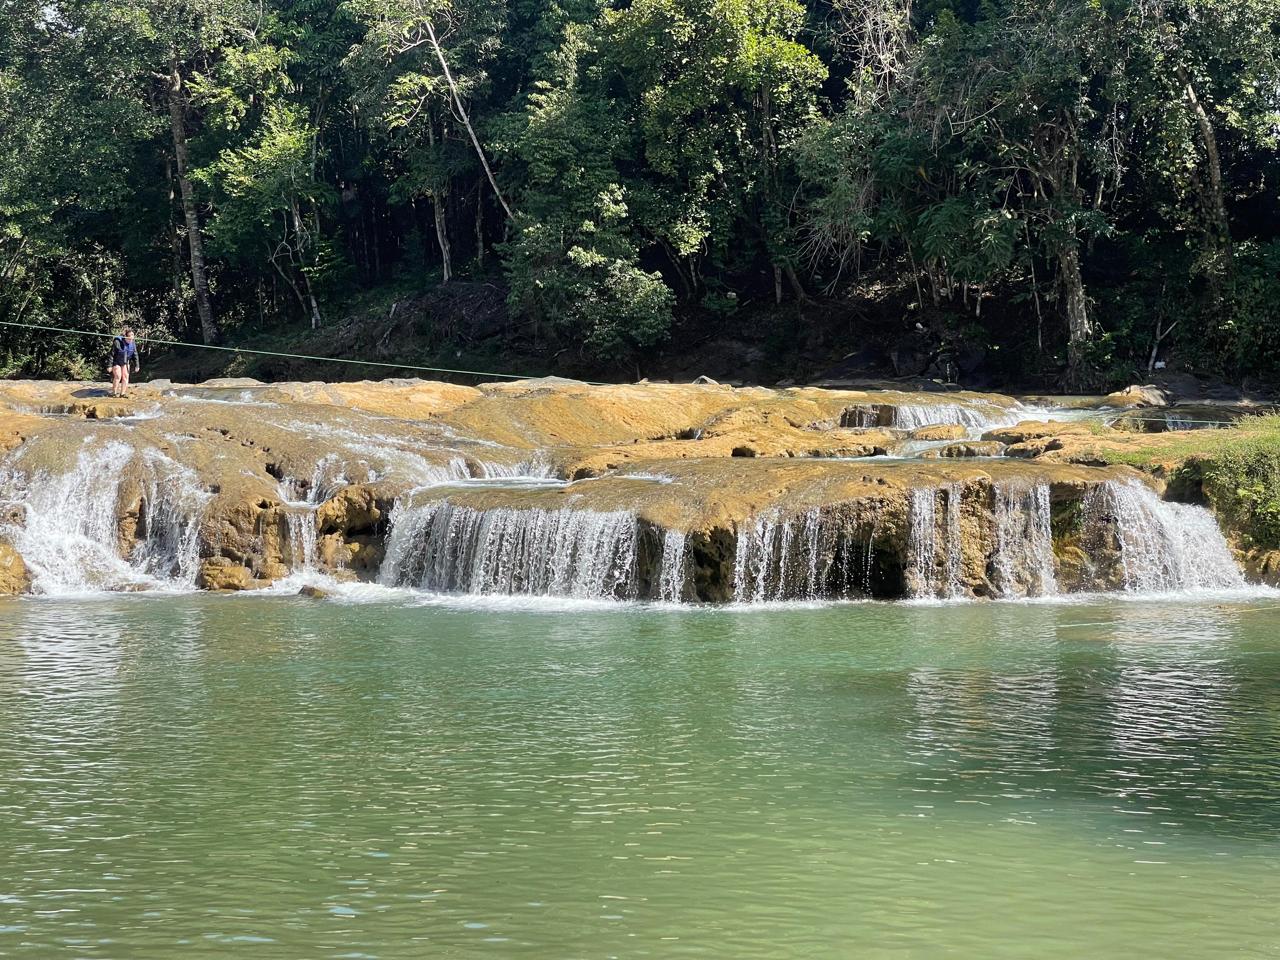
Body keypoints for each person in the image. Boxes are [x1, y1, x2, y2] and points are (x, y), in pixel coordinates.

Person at [109, 328, 140, 398]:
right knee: (118, 376)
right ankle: (114, 393)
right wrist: (109, 365)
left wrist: (137, 365)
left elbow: (135, 354)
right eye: (129, 338)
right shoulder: (118, 342)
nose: (131, 340)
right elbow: (111, 354)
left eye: (132, 337)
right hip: (116, 361)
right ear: (125, 337)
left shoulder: (132, 342)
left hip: (125, 362)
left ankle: (122, 394)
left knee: (125, 377)